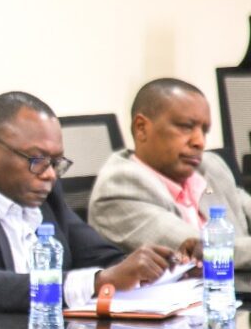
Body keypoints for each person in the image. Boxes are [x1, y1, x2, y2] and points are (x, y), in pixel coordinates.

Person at [0, 91, 192, 315]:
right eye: (37, 159)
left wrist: (159, 267)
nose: (50, 174)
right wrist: (98, 282)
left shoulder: (41, 191)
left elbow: (100, 257)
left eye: (56, 162)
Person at [89, 77, 251, 266]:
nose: (199, 141)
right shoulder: (119, 187)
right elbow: (203, 250)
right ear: (141, 128)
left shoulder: (210, 167)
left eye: (204, 131)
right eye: (186, 127)